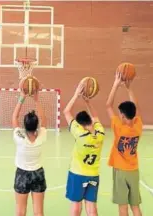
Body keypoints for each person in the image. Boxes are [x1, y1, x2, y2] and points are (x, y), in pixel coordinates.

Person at [63, 83, 105, 216]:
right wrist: (88, 102)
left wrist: (76, 94)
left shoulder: (80, 134)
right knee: (91, 205)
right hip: (93, 174)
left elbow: (66, 112)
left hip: (77, 174)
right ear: (91, 122)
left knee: (76, 204)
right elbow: (96, 117)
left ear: (80, 125)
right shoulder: (100, 133)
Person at [106, 72, 142, 216]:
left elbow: (108, 105)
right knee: (135, 206)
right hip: (134, 170)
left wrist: (116, 83)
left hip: (121, 171)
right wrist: (129, 88)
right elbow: (137, 109)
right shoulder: (138, 126)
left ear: (121, 115)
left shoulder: (118, 127)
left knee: (123, 207)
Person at [12, 91, 47, 216]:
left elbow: (14, 118)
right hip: (38, 173)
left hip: (22, 173)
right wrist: (36, 99)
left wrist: (22, 98)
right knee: (39, 212)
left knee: (20, 211)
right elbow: (44, 119)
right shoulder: (42, 136)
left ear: (24, 125)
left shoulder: (19, 137)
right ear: (37, 125)